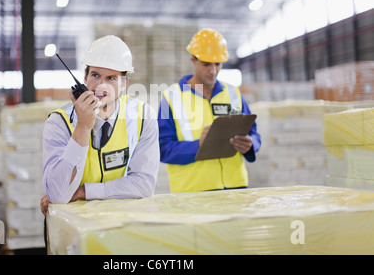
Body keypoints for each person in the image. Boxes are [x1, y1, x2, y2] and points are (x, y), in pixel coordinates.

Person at [40, 35, 159, 217]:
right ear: (85, 78)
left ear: (123, 84)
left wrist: (84, 191)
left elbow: (144, 184)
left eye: (111, 78)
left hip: (122, 221)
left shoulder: (143, 117)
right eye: (95, 75)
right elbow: (59, 194)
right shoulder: (58, 122)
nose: (101, 86)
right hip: (74, 226)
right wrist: (82, 127)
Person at [158, 28, 261, 193]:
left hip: (235, 188)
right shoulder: (171, 98)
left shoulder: (233, 93)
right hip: (193, 193)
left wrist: (250, 145)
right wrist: (198, 145)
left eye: (218, 64)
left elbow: (255, 134)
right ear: (193, 60)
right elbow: (162, 149)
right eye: (206, 64)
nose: (213, 71)